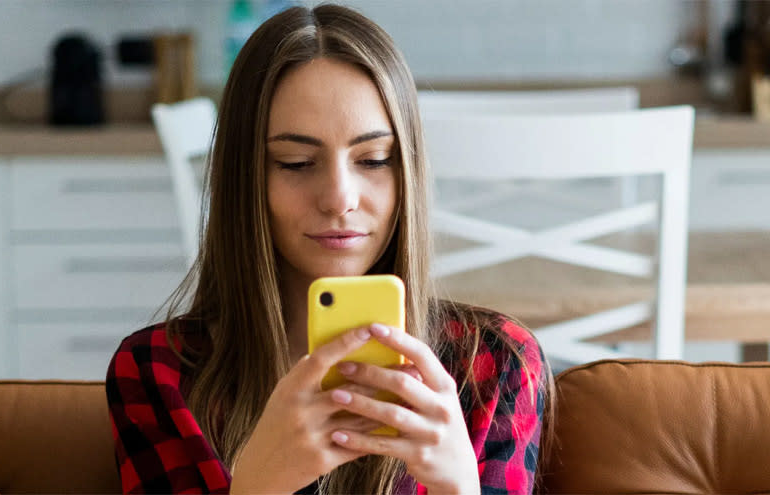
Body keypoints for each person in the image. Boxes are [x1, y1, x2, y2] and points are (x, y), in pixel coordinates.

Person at [106, 4, 553, 494]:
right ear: (244, 179)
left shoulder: (494, 366)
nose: (340, 197)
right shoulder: (157, 374)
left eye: (374, 159)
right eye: (296, 162)